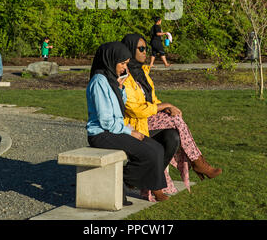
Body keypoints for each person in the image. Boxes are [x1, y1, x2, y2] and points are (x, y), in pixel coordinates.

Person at [121, 33, 222, 200]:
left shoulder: (143, 73)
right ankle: (197, 162)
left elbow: (152, 100)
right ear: (131, 50)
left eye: (146, 48)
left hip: (148, 119)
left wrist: (164, 108)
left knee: (172, 137)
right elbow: (134, 110)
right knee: (175, 119)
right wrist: (165, 106)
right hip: (134, 123)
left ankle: (155, 184)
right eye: (141, 49)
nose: (145, 52)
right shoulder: (124, 75)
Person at [86, 41, 169, 204]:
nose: (124, 68)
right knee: (148, 153)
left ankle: (131, 182)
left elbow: (119, 108)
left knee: (157, 148)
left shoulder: (111, 80)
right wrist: (129, 131)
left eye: (126, 64)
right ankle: (119, 180)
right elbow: (105, 120)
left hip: (114, 131)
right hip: (102, 134)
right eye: (122, 63)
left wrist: (120, 88)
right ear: (110, 60)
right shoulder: (99, 82)